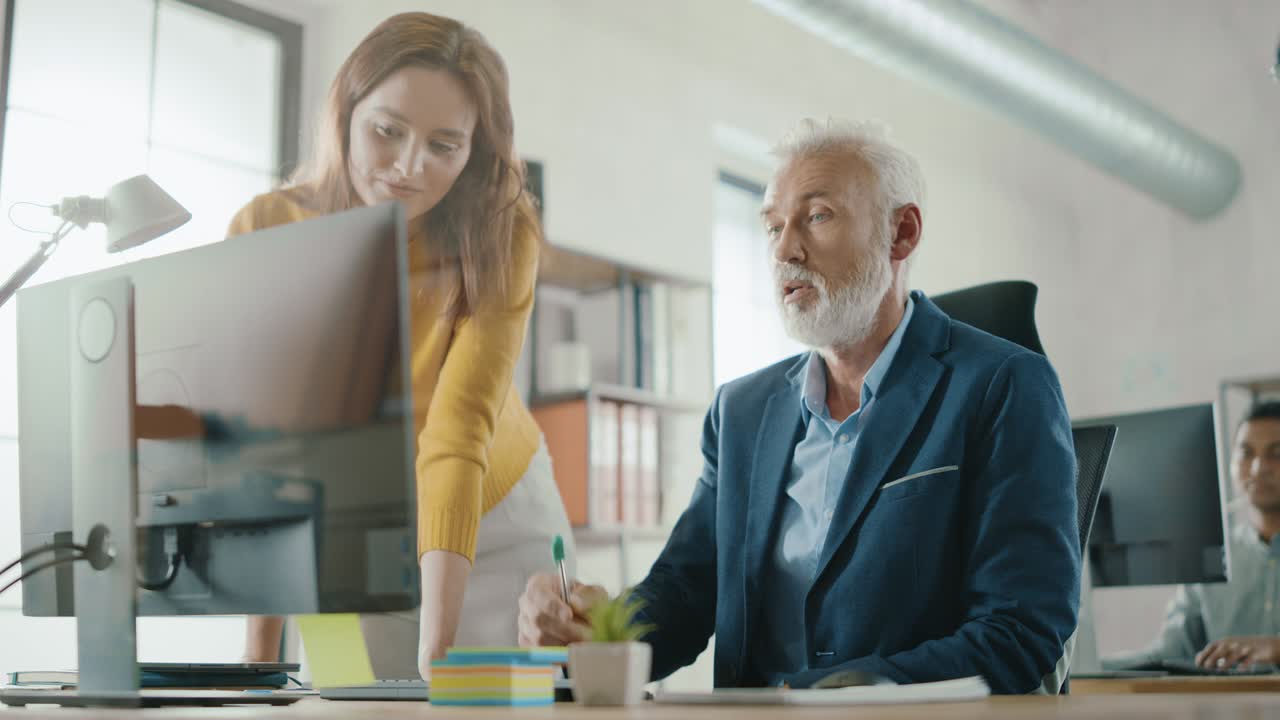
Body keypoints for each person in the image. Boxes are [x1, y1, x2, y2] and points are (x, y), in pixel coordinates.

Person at [518, 119, 1079, 694]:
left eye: (817, 216)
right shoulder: (740, 412)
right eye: (772, 226)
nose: (786, 249)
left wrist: (856, 691)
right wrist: (594, 629)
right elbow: (685, 591)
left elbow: (1022, 626)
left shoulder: (1004, 386)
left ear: (901, 234)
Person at [227, 12, 574, 681]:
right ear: (345, 110)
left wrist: (437, 652)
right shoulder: (264, 227)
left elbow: (458, 429)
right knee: (345, 695)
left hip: (496, 517)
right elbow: (266, 446)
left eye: (445, 145)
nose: (408, 167)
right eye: (387, 131)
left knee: (489, 703)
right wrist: (257, 655)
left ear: (475, 149)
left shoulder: (502, 232)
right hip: (339, 533)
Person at [1103, 401, 1280, 671]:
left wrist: (1275, 648)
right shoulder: (1217, 554)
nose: (1257, 468)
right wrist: (1092, 665)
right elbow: (1172, 650)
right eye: (1246, 453)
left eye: (1276, 453)